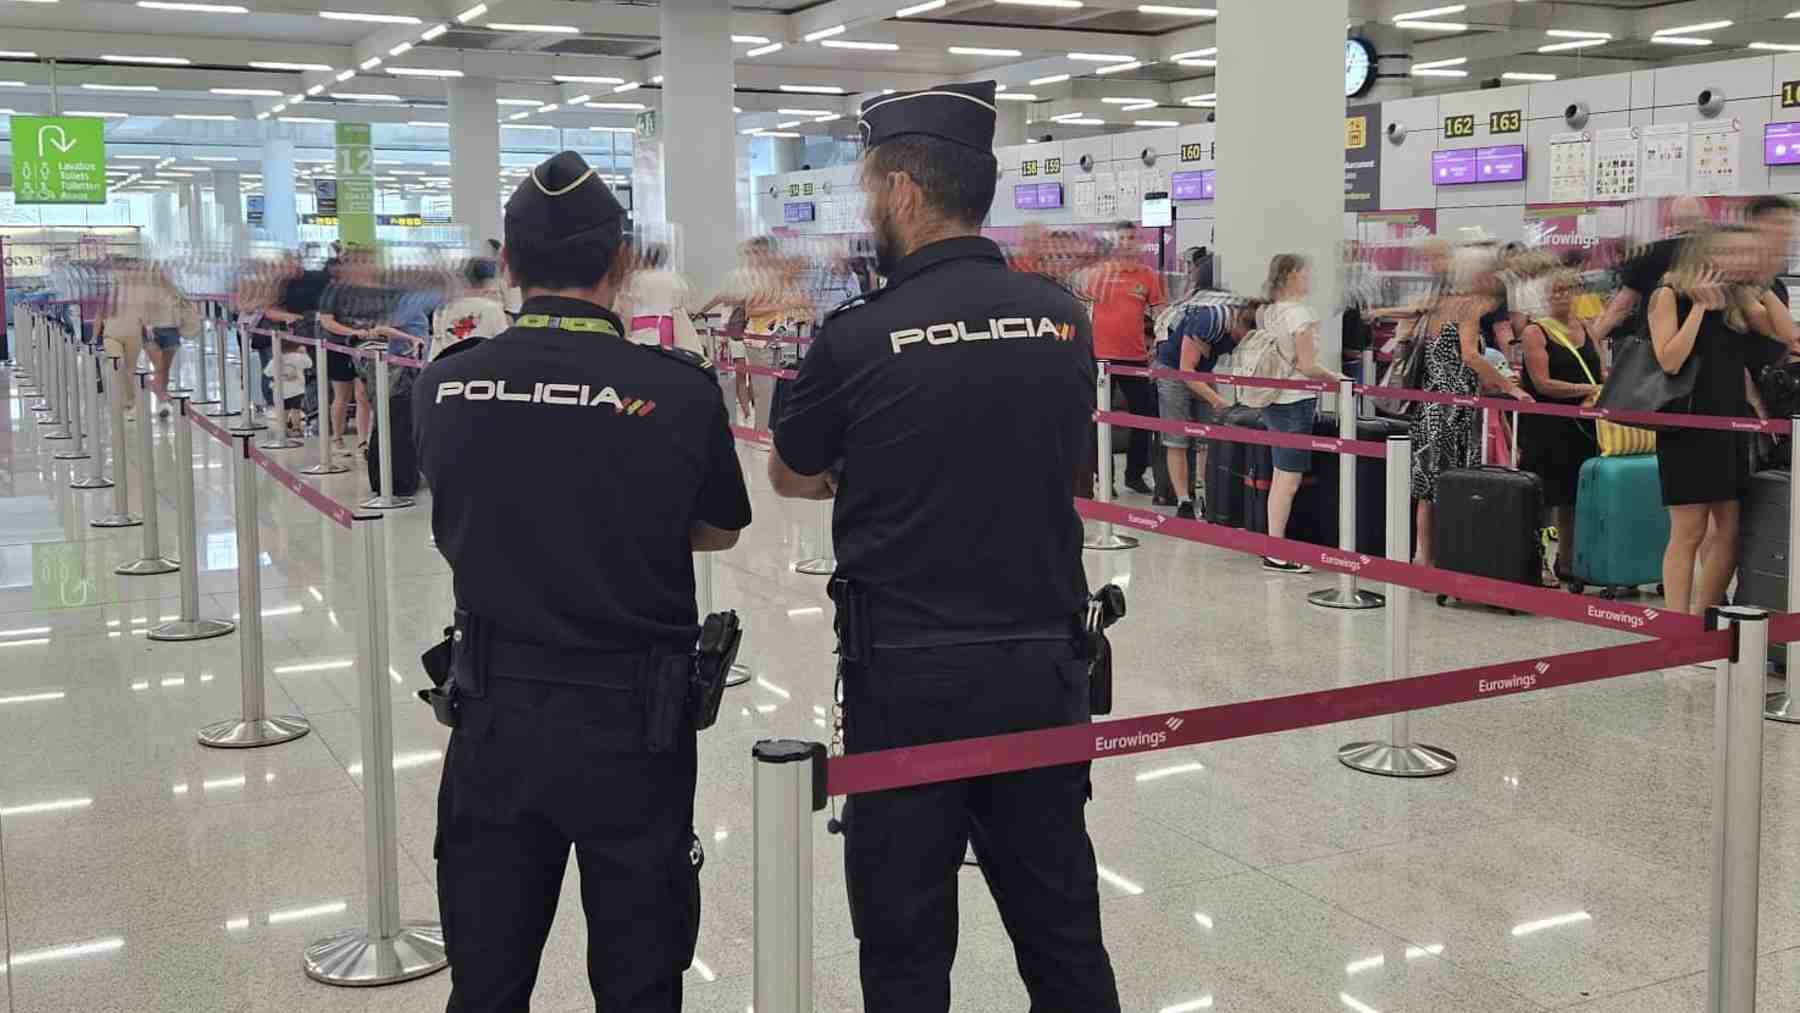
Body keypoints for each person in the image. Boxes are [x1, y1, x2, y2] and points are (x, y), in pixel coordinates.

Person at [767, 80, 1121, 1013]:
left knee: (906, 938)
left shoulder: (856, 336)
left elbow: (792, 474)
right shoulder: (1060, 318)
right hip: (1042, 665)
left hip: (907, 678)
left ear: (907, 191)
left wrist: (872, 469)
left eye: (872, 186)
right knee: (1062, 928)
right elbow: (1070, 470)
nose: (868, 205)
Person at [415, 150, 752, 1012]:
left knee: (487, 980)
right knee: (640, 980)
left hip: (493, 712)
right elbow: (717, 527)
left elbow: (452, 513)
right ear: (619, 267)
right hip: (632, 723)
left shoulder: (446, 386)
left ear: (511, 267)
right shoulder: (676, 391)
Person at [1650, 227, 1795, 616]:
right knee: (1689, 530)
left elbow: (1786, 333)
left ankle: (1704, 613)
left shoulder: (1738, 300)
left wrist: (1760, 286)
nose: (1740, 260)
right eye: (1732, 253)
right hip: (1687, 425)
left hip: (1729, 424)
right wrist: (1699, 308)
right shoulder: (1669, 294)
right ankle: (1677, 623)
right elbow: (1670, 359)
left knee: (1729, 530)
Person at [1410, 248, 1533, 568]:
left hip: (1430, 405)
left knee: (1428, 486)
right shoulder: (1468, 308)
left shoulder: (1440, 304)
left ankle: (1423, 555)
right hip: (1457, 408)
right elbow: (1471, 355)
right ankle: (1455, 552)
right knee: (1459, 483)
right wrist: (1510, 387)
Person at [1255, 254, 1345, 573]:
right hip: (1295, 399)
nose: (1310, 278)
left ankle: (1274, 543)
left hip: (1273, 398)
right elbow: (1307, 365)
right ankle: (1276, 550)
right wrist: (1340, 381)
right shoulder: (1300, 314)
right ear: (1292, 275)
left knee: (1280, 475)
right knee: (1288, 480)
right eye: (1306, 273)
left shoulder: (1268, 311)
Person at [1517, 269, 1603, 580]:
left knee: (1574, 497)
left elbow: (1601, 374)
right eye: (1555, 290)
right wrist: (1588, 390)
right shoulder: (1535, 332)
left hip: (1583, 426)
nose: (1562, 296)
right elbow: (1542, 384)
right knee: (1543, 498)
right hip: (1547, 426)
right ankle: (1535, 562)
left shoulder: (1588, 328)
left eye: (1568, 289)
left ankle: (1567, 561)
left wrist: (1599, 393)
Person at [1084, 221, 1166, 495]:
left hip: (1135, 359)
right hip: (1101, 360)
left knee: (1144, 417)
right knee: (1098, 421)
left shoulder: (1147, 276)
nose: (1127, 243)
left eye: (1132, 238)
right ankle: (1103, 477)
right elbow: (1082, 309)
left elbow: (1160, 316)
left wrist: (1159, 345)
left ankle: (1134, 475)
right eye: (1122, 239)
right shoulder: (1099, 274)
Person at [1152, 296, 1245, 518]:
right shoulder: (1210, 320)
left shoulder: (1245, 330)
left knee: (1207, 440)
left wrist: (1216, 397)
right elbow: (1186, 369)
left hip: (1201, 372)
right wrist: (1217, 400)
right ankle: (1183, 500)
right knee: (1177, 439)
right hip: (1172, 371)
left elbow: (1205, 364)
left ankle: (1209, 497)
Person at [1593, 194, 1709, 345]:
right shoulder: (1716, 254)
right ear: (1702, 219)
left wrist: (1592, 341)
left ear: (1672, 219)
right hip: (1706, 341)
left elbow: (1622, 307)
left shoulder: (1649, 252)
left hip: (1655, 345)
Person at [429, 257, 510, 361]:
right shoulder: (493, 309)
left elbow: (436, 347)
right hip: (480, 368)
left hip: (447, 367)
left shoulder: (443, 307)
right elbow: (502, 345)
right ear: (489, 281)